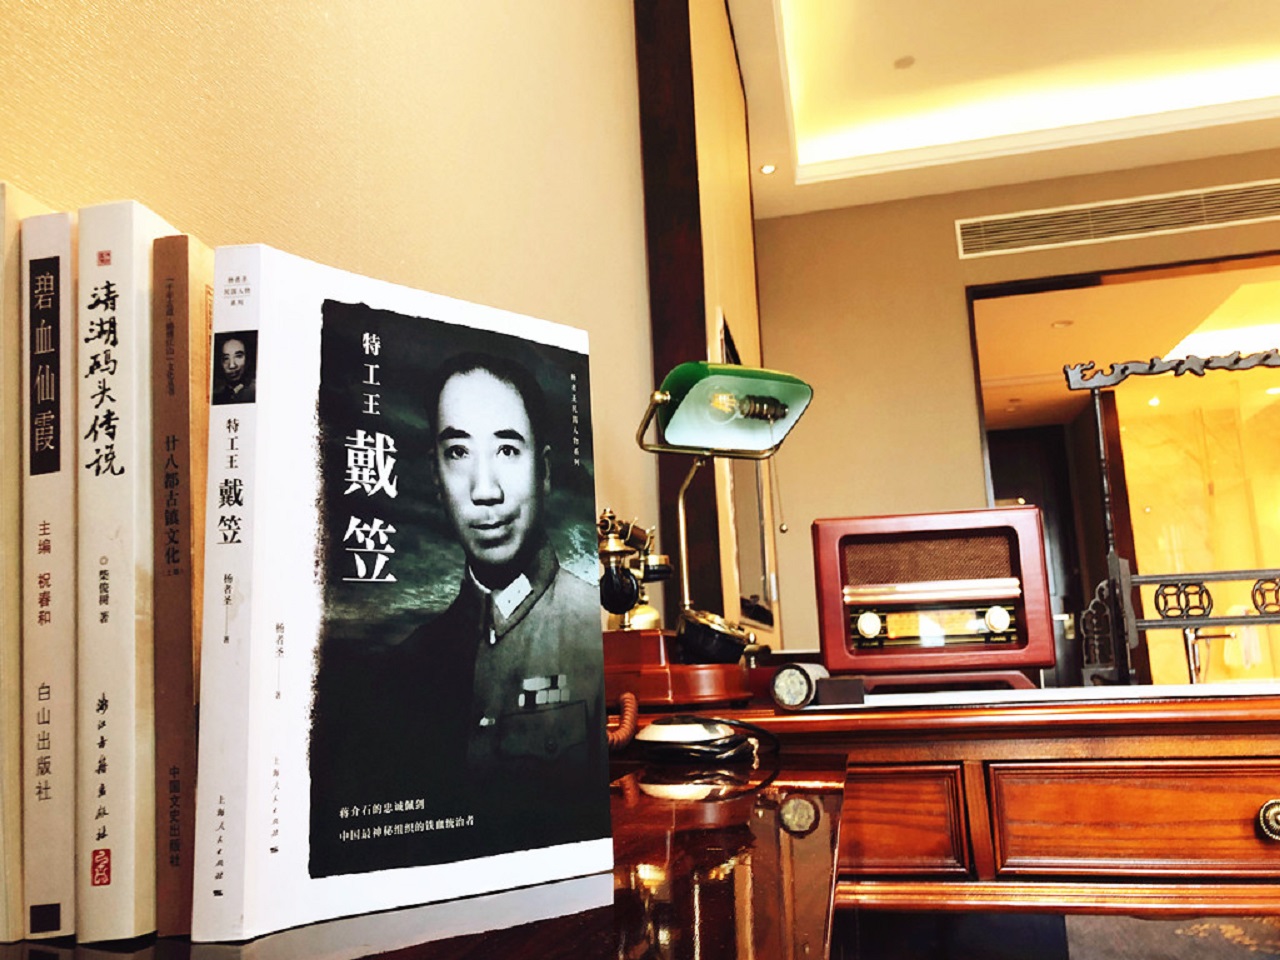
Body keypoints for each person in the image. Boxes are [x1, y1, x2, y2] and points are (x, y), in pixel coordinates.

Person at [313, 352, 606, 873]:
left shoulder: (591, 625)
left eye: (507, 450)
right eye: (458, 453)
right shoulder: (403, 668)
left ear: (543, 470)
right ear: (435, 474)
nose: (485, 490)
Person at [212, 333, 256, 404]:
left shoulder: (255, 391)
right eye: (226, 358)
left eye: (238, 356)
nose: (232, 365)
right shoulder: (217, 395)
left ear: (248, 359)